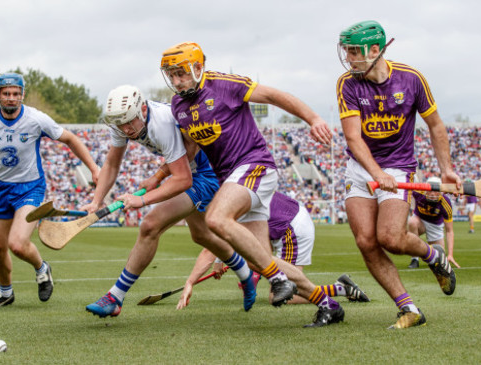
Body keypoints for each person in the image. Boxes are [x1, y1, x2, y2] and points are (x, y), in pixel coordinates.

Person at [161, 42, 344, 327]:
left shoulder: (223, 84)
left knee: (216, 218)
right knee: (261, 259)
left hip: (254, 165)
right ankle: (327, 303)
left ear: (198, 68)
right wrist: (163, 169)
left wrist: (313, 118)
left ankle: (279, 278)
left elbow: (273, 95)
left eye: (181, 73)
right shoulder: (178, 106)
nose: (176, 81)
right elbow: (190, 150)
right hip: (232, 179)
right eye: (171, 75)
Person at [84, 85, 257, 318]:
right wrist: (96, 201)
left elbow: (183, 179)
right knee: (202, 235)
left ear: (142, 109)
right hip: (189, 170)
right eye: (119, 124)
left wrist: (141, 200)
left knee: (150, 224)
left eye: (129, 122)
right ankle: (245, 274)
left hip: (209, 172)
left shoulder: (161, 124)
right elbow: (112, 164)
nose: (125, 129)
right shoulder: (122, 123)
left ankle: (115, 297)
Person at [336, 20, 459, 329]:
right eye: (347, 51)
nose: (349, 58)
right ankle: (409, 309)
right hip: (361, 167)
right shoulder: (347, 84)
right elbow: (353, 138)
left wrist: (447, 168)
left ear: (375, 50)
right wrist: (376, 173)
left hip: (398, 165)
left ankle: (433, 256)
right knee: (366, 241)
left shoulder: (411, 79)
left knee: (390, 237)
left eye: (354, 52)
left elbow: (435, 125)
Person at [0, 72, 100, 308]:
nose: (11, 98)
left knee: (17, 243)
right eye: (6, 94)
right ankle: (5, 293)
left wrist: (94, 169)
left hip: (30, 188)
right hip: (1, 189)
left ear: (22, 95)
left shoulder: (36, 119)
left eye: (15, 94)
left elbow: (71, 139)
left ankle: (42, 268)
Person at [177, 191, 370, 309]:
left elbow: (210, 249)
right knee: (265, 269)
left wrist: (190, 282)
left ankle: (341, 289)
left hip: (291, 228)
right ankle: (340, 288)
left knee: (285, 295)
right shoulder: (228, 187)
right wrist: (222, 261)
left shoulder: (221, 201)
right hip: (284, 225)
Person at [408, 177, 459, 269]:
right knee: (411, 222)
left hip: (435, 226)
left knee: (439, 259)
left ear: (441, 191)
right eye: (430, 190)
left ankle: (425, 249)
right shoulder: (418, 192)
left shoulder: (445, 203)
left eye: (435, 191)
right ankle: (415, 258)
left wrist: (450, 254)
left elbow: (449, 231)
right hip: (419, 221)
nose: (432, 194)